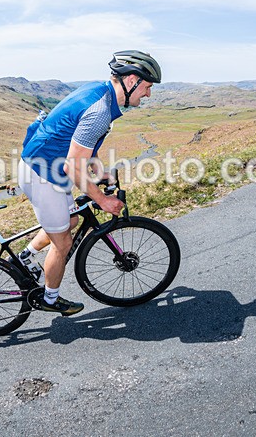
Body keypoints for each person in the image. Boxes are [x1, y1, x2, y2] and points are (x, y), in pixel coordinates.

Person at [17, 50, 161, 316]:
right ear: (131, 81)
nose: (148, 94)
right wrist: (103, 199)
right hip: (42, 175)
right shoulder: (100, 111)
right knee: (63, 244)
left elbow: (81, 149)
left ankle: (26, 255)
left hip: (46, 168)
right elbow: (73, 165)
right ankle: (50, 298)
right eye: (147, 87)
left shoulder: (100, 91)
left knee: (70, 221)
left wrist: (100, 173)